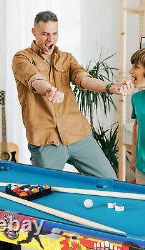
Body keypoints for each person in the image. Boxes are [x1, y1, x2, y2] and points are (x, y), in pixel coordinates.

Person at [12, 11, 132, 179]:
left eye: (54, 34)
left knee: (109, 180)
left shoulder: (66, 58)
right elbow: (34, 79)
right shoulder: (21, 58)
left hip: (77, 133)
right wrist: (48, 89)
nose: (50, 39)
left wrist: (111, 87)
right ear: (34, 32)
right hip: (46, 141)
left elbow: (84, 79)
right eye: (45, 34)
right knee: (46, 193)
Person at [130, 48, 145, 185]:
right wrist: (134, 156)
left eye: (136, 67)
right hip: (142, 165)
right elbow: (137, 125)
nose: (131, 71)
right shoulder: (136, 98)